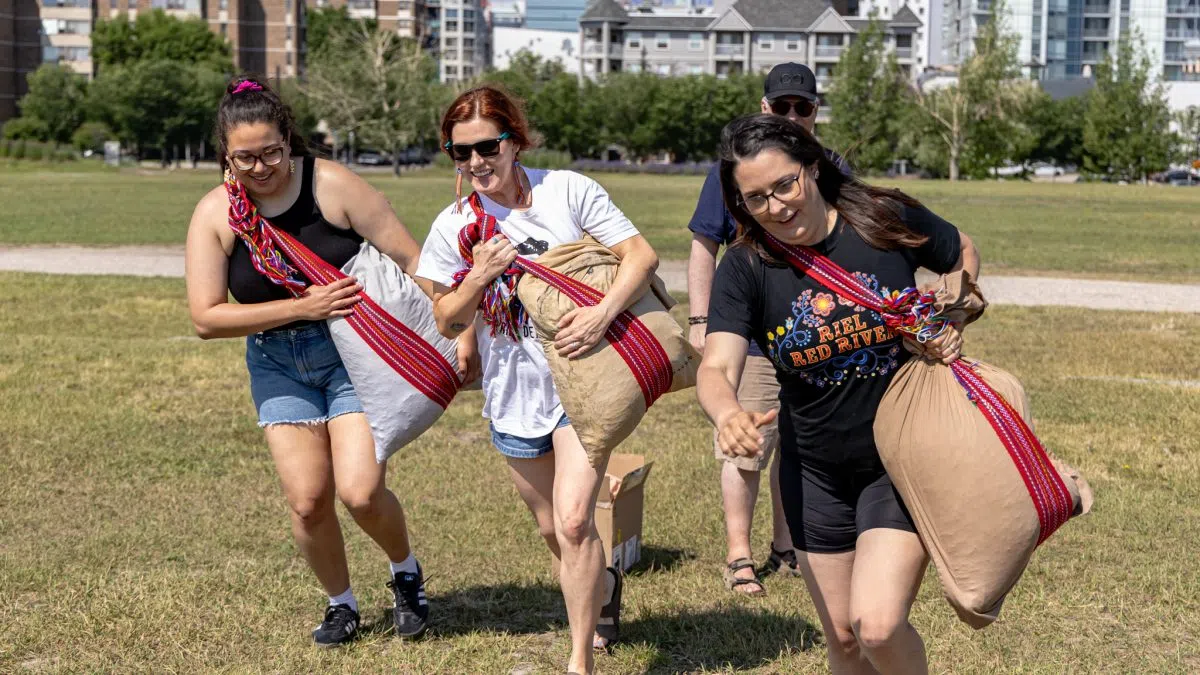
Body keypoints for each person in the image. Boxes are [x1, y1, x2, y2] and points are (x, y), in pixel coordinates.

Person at [185, 78, 470, 647]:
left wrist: (458, 327)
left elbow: (413, 258)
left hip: (353, 354)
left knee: (361, 492)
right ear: (226, 154)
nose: (262, 166)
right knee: (308, 500)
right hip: (277, 361)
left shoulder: (332, 185)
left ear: (288, 139)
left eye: (271, 151)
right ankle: (341, 603)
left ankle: (405, 571)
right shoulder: (217, 214)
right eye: (245, 157)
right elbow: (205, 317)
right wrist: (300, 305)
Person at [697, 113, 980, 674]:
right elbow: (715, 365)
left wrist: (953, 315)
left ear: (812, 168)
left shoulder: (881, 217)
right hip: (814, 472)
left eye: (785, 185)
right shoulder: (746, 268)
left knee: (877, 624)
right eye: (755, 198)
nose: (776, 207)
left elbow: (961, 252)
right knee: (845, 640)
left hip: (898, 459)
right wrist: (727, 411)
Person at [414, 85, 660, 675]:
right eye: (459, 152)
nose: (475, 162)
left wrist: (602, 314)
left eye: (487, 146)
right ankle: (601, 588)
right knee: (555, 529)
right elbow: (447, 317)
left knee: (576, 519)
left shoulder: (567, 190)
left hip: (582, 385)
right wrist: (478, 276)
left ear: (514, 141)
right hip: (512, 394)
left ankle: (579, 662)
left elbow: (641, 256)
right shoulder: (454, 225)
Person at [687, 62, 848, 595]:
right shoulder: (730, 170)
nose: (793, 116)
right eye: (782, 107)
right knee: (746, 442)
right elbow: (703, 244)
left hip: (815, 335)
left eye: (803, 107)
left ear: (815, 111)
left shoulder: (833, 168)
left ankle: (787, 546)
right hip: (751, 334)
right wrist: (699, 319)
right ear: (765, 109)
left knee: (801, 443)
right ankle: (739, 555)